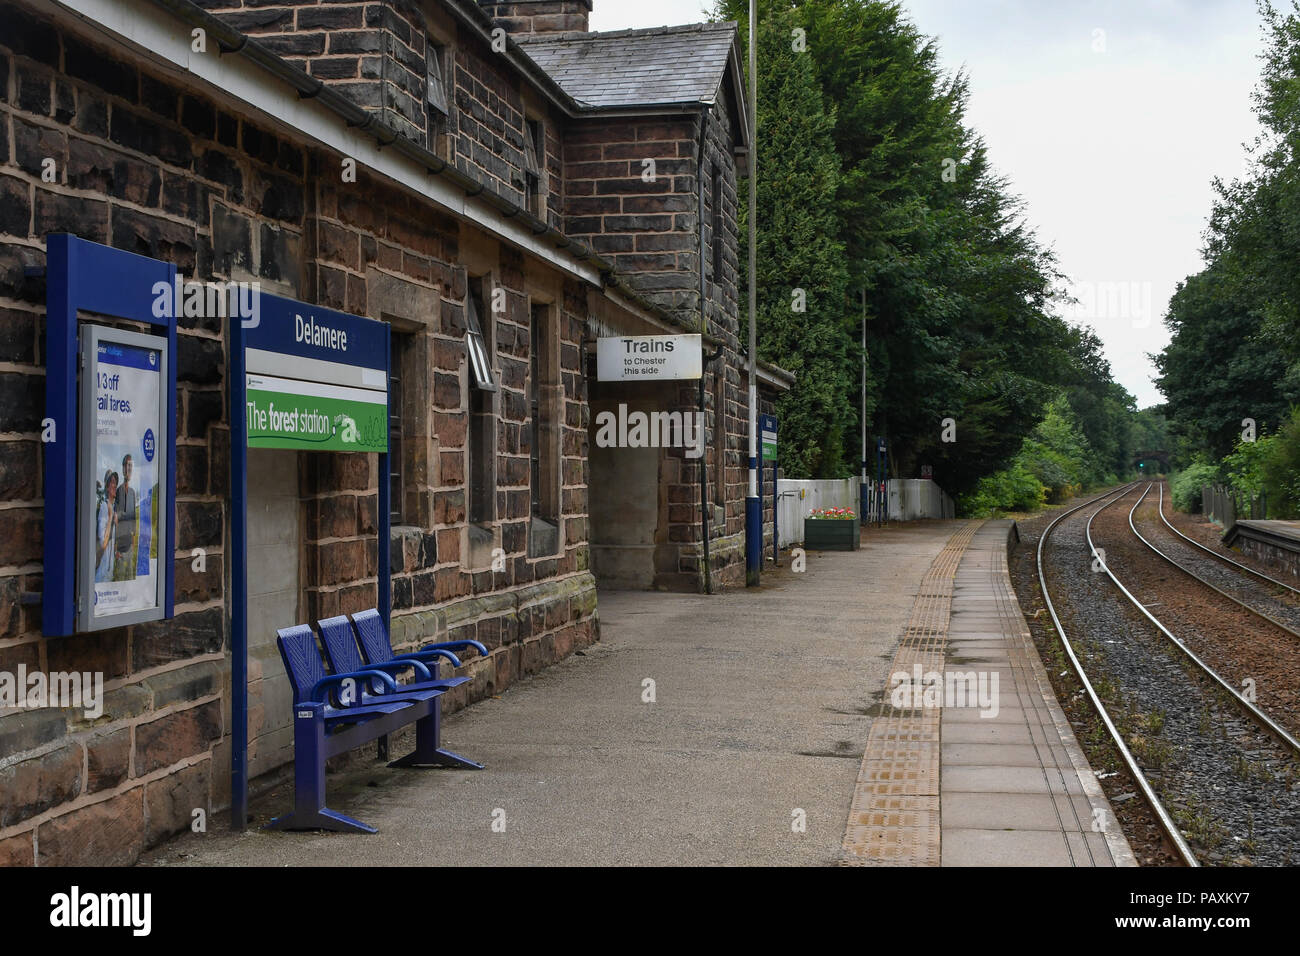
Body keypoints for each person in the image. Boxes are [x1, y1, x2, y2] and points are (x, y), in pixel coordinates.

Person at [113, 453, 138, 582]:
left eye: (131, 466)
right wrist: (115, 548)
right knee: (120, 579)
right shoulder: (118, 491)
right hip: (120, 549)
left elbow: (133, 518)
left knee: (130, 578)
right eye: (127, 465)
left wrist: (133, 543)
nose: (129, 469)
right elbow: (115, 520)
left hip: (130, 546)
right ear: (123, 468)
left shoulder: (133, 493)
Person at [95, 470, 118, 584]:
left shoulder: (114, 508)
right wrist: (110, 519)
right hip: (101, 574)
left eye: (116, 483)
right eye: (113, 482)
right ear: (107, 486)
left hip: (110, 573)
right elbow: (103, 543)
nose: (115, 485)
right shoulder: (104, 507)